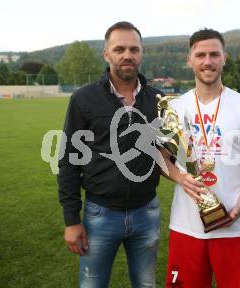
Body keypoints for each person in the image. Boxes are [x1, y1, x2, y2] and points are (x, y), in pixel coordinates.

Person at [58, 21, 163, 287]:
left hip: (146, 212)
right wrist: (71, 220)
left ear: (141, 53)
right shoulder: (84, 98)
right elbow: (69, 159)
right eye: (119, 49)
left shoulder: (159, 100)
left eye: (133, 49)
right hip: (100, 214)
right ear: (107, 54)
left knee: (146, 284)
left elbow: (167, 154)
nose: (127, 55)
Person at [161, 29, 240, 287]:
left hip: (235, 223)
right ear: (190, 60)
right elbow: (162, 157)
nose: (208, 61)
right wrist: (181, 178)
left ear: (224, 58)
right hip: (187, 225)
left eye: (214, 54)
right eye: (201, 55)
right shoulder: (175, 108)